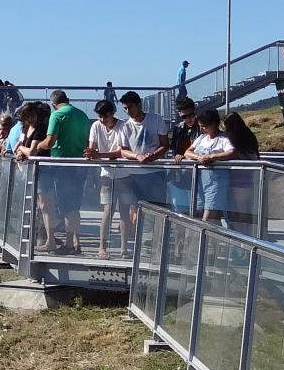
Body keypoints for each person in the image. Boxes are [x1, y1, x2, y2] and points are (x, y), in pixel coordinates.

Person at [32, 91, 90, 255]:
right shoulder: (82, 115)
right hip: (80, 164)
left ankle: (69, 244)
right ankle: (75, 243)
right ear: (68, 100)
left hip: (62, 164)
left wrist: (38, 146)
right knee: (74, 205)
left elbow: (50, 142)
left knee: (65, 206)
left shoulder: (56, 115)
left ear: (53, 104)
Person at [113, 90, 168, 256]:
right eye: (124, 108)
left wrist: (155, 155)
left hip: (155, 173)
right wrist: (137, 156)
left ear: (138, 105)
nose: (127, 111)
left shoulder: (156, 119)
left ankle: (158, 246)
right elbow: (122, 151)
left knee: (158, 211)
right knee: (134, 210)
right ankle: (138, 243)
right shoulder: (125, 126)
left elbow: (165, 144)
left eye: (130, 107)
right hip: (133, 174)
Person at [84, 99, 129, 258]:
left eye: (105, 116)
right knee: (108, 210)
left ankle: (124, 248)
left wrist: (98, 155)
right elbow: (92, 147)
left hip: (124, 174)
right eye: (100, 117)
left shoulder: (123, 125)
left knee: (124, 211)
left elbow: (120, 152)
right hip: (106, 174)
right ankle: (102, 247)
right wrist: (90, 153)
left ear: (112, 114)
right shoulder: (96, 126)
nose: (102, 120)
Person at [180, 109, 234, 222]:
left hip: (215, 183)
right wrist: (198, 157)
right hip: (200, 183)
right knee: (199, 213)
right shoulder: (201, 138)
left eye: (204, 126)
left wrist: (211, 157)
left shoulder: (223, 139)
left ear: (213, 124)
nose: (201, 129)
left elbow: (231, 152)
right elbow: (187, 152)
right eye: (200, 126)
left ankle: (201, 239)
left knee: (208, 216)